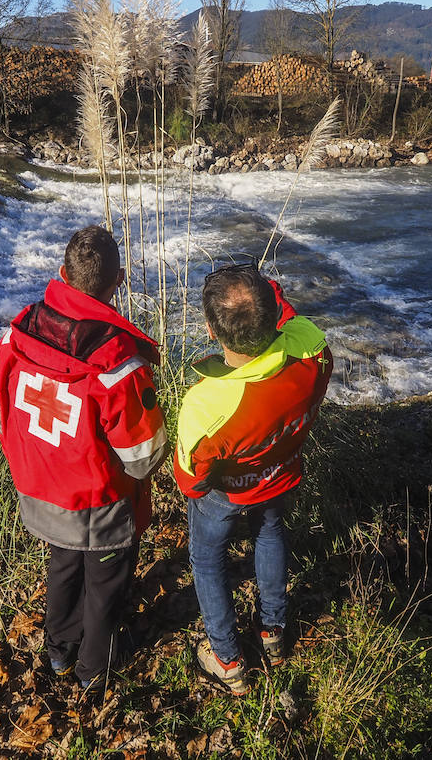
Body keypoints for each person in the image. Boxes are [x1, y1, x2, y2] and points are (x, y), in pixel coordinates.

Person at [0, 226, 169, 686]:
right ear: (120, 281)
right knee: (105, 583)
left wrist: (33, 462)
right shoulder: (115, 360)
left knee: (64, 564)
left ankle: (58, 653)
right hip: (98, 502)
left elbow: (2, 410)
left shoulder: (19, 330)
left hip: (39, 488)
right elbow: (143, 454)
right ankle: (94, 671)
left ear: (61, 273)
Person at [174, 261, 332, 695]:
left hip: (227, 495)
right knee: (270, 531)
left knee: (208, 562)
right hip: (282, 473)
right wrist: (269, 292)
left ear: (211, 329)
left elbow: (191, 481)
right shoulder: (309, 348)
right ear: (271, 316)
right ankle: (273, 634)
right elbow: (295, 323)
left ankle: (227, 660)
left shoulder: (206, 404)